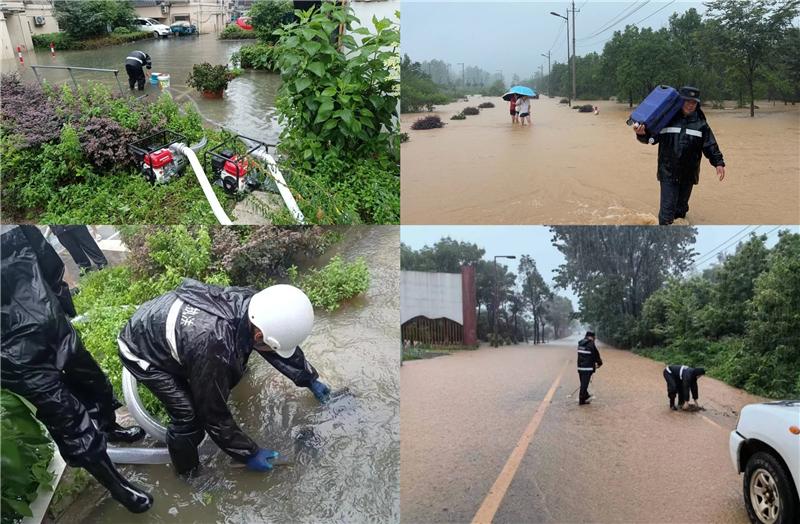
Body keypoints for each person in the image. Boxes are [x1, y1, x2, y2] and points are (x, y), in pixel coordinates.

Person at [1, 225, 152, 514]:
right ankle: (116, 484)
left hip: (51, 325)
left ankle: (110, 427)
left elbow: (48, 261)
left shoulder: (11, 227)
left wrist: (60, 306)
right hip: (13, 353)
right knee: (66, 417)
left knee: (93, 381)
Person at [116, 279, 332, 475]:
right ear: (259, 335)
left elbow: (274, 344)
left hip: (170, 327)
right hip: (142, 350)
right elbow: (212, 412)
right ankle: (187, 474)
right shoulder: (214, 346)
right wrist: (248, 453)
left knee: (232, 359)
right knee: (189, 418)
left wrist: (308, 378)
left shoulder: (256, 305)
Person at [634, 86, 726, 225]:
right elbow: (650, 138)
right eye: (687, 101)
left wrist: (718, 163)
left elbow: (710, 145)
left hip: (689, 174)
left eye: (693, 102)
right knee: (667, 213)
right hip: (668, 172)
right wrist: (641, 134)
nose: (690, 105)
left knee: (681, 210)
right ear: (679, 102)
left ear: (697, 104)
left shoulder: (701, 124)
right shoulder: (665, 120)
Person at [577, 330, 602, 405]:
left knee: (583, 383)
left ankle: (586, 396)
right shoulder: (591, 344)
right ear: (592, 337)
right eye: (594, 337)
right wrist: (599, 363)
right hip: (587, 368)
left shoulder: (580, 343)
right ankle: (582, 400)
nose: (595, 339)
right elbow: (596, 355)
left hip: (580, 367)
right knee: (584, 385)